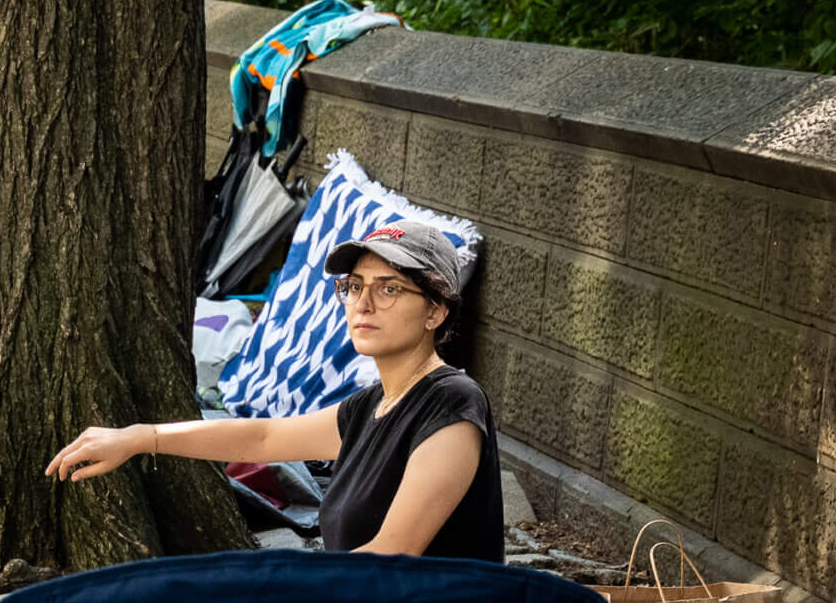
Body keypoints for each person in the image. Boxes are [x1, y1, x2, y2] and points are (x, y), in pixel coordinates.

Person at [46, 222, 505, 561]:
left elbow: (391, 555)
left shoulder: (451, 402)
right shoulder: (372, 406)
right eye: (354, 286)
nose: (363, 303)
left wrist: (281, 593)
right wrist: (143, 438)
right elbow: (263, 438)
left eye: (389, 289)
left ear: (436, 312)